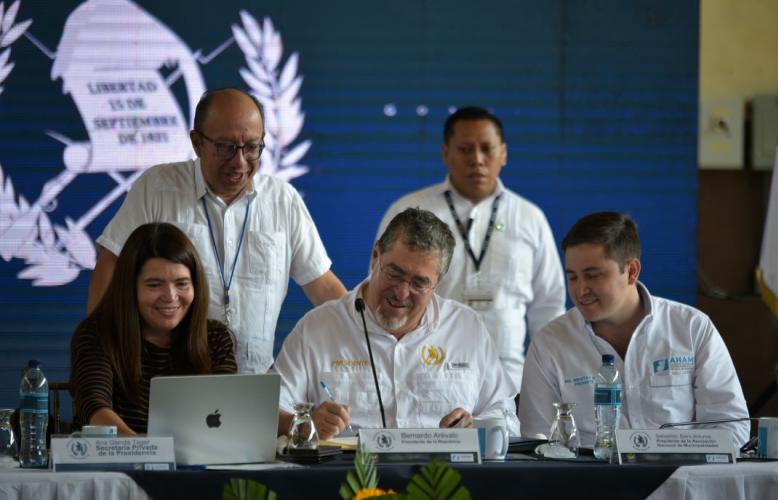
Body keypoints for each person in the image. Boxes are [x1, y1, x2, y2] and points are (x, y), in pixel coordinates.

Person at [87, 88, 346, 372]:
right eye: (225, 147)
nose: (239, 162)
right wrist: (97, 357)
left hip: (253, 385)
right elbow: (111, 263)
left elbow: (322, 285)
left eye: (251, 147)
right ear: (196, 143)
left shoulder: (283, 201)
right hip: (169, 380)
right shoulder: (158, 188)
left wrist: (367, 337)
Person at [274, 208, 519, 439]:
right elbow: (270, 412)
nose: (401, 293)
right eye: (394, 273)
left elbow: (507, 417)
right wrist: (306, 425)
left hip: (442, 479)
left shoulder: (466, 329)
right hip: (349, 479)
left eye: (419, 283)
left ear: (439, 282)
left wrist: (476, 425)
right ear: (375, 256)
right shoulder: (317, 328)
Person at [518, 212, 750, 446]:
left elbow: (732, 427)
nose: (581, 290)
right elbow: (537, 440)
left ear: (631, 271)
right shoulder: (550, 343)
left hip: (679, 478)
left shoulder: (691, 328)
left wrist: (665, 451)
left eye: (593, 276)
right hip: (588, 481)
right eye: (573, 277)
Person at [376, 106, 564, 391]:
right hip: (424, 375)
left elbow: (548, 307)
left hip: (510, 379)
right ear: (445, 153)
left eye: (487, 149)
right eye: (465, 149)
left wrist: (548, 382)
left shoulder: (530, 218)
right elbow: (383, 289)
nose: (477, 160)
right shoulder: (409, 211)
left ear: (504, 153)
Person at [71, 222, 237, 435]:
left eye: (182, 283)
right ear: (129, 287)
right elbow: (95, 409)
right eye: (154, 284)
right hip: (116, 466)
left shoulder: (215, 337)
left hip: (196, 464)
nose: (170, 296)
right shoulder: (96, 334)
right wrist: (149, 452)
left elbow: (228, 414)